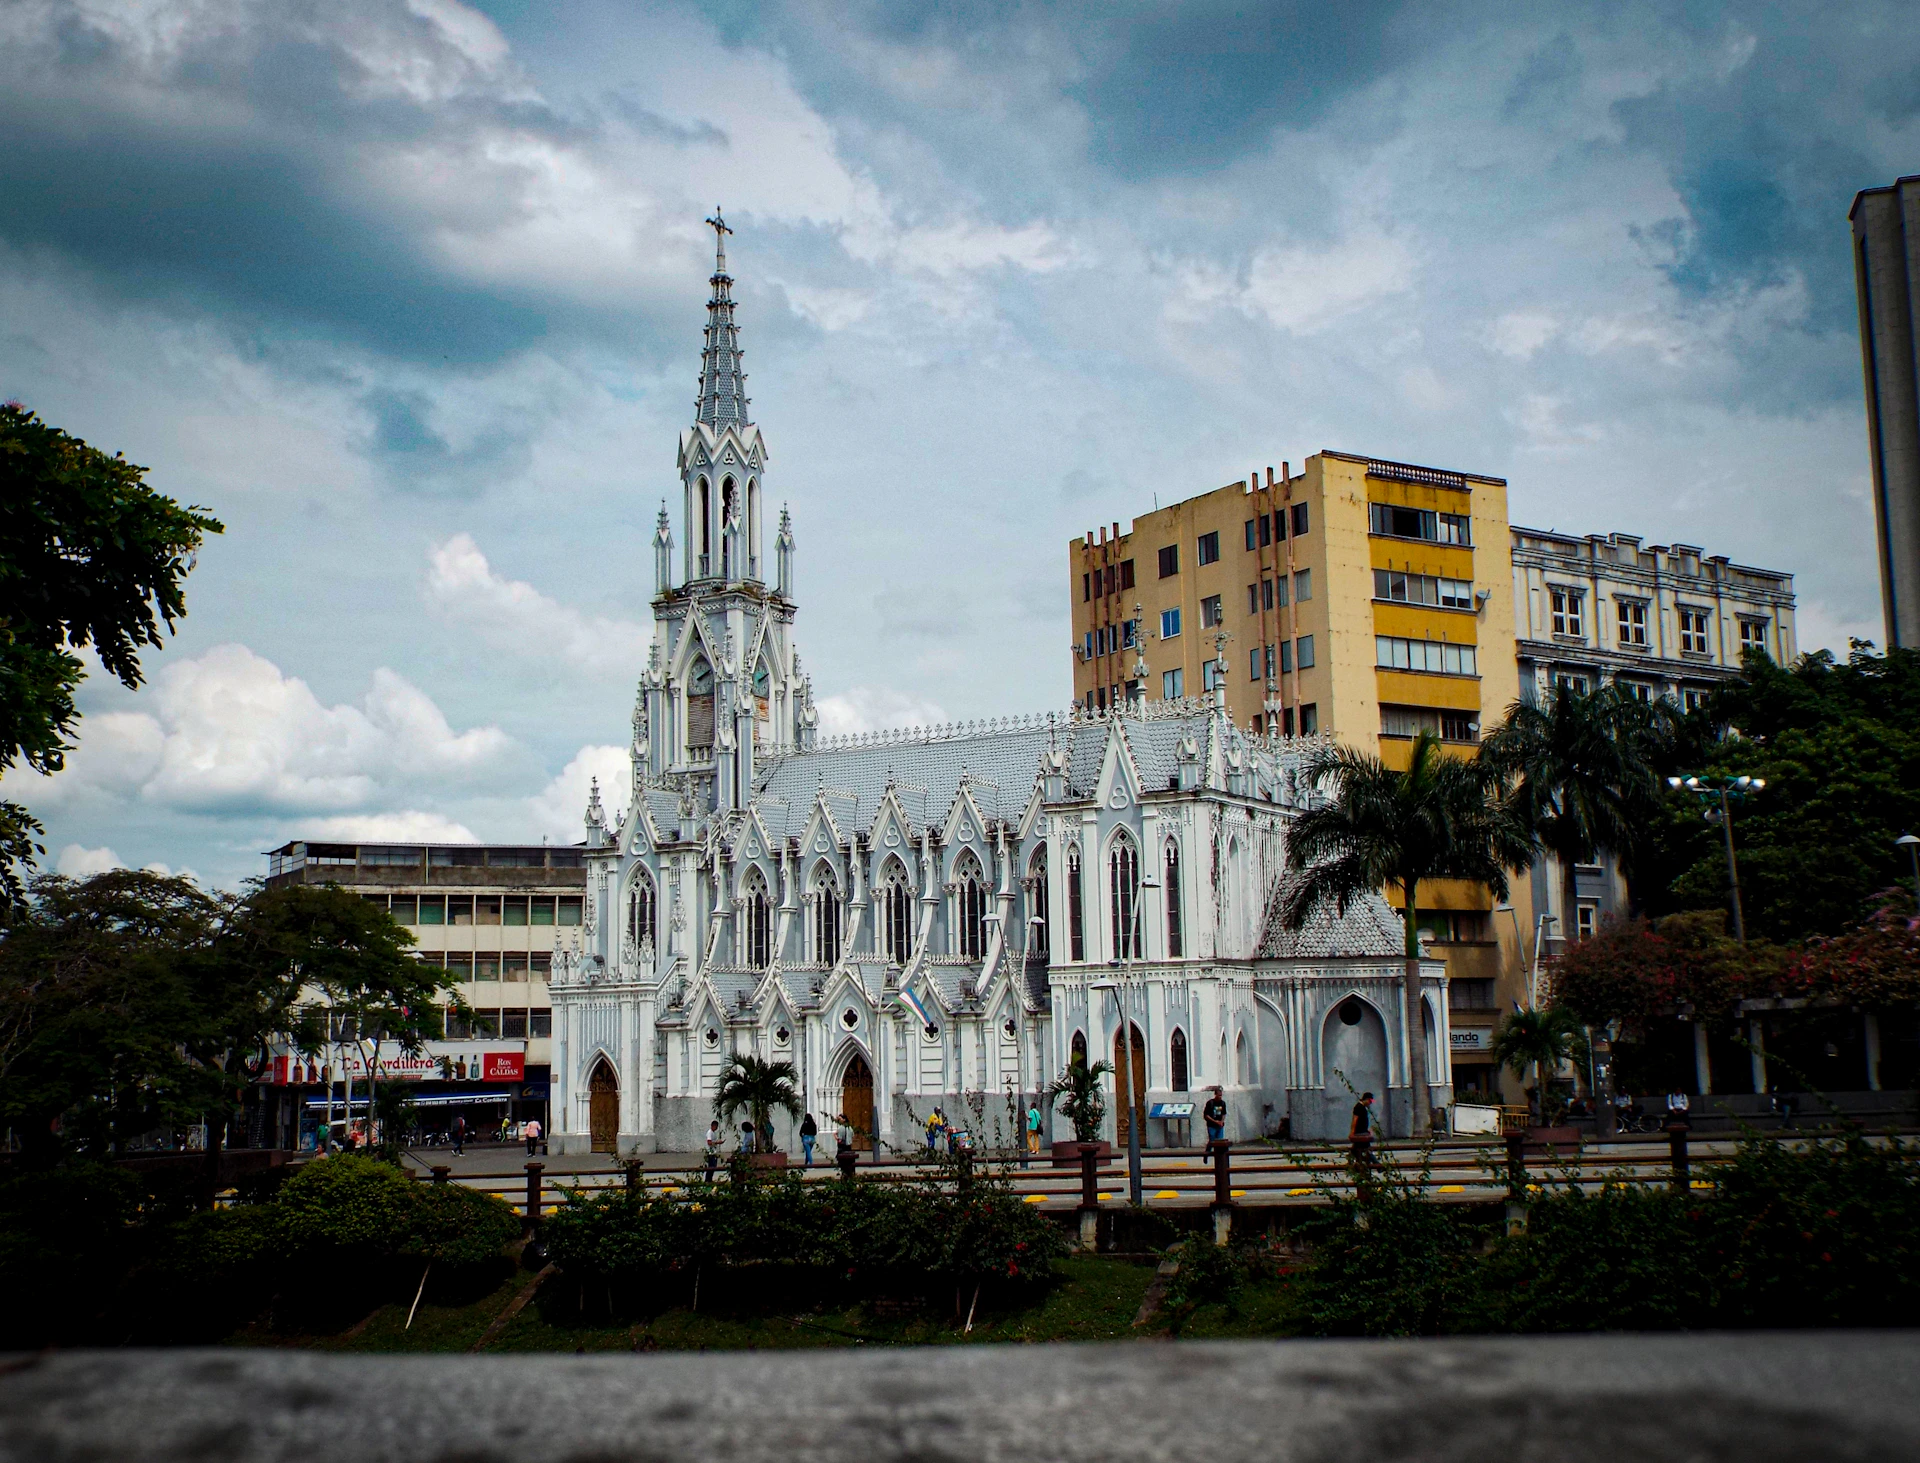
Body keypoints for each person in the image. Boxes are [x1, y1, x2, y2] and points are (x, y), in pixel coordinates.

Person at [835, 1114, 858, 1180]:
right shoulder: (849, 1127)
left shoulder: (840, 1128)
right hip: (849, 1147)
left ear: (844, 1119)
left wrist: (835, 1136)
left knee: (842, 1163)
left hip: (842, 1148)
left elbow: (839, 1140)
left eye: (840, 1119)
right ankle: (851, 1175)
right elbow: (853, 1136)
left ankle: (844, 1176)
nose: (839, 1120)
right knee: (850, 1163)